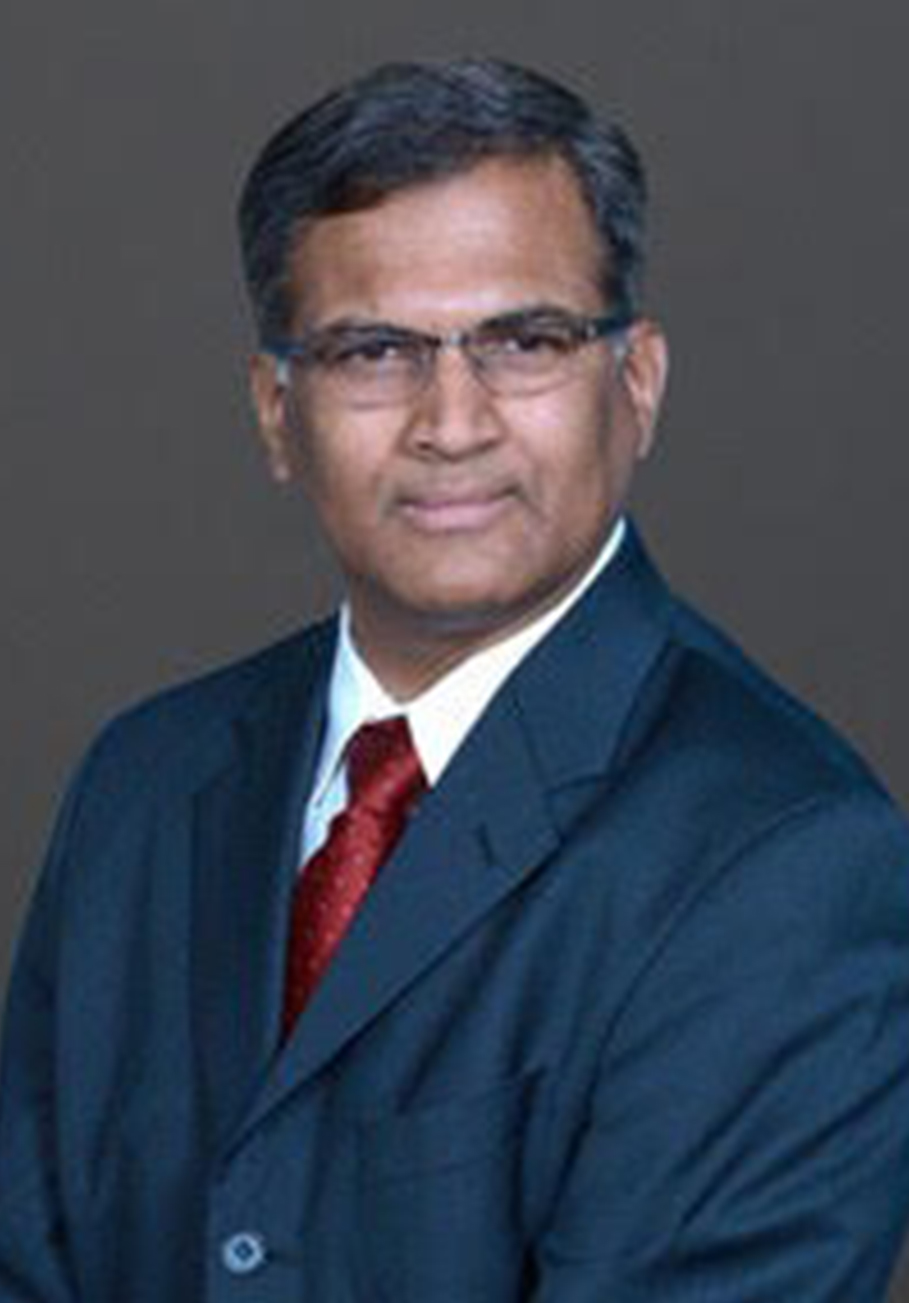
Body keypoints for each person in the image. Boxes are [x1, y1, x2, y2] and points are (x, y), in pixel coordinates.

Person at [1, 56, 908, 1303]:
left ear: (637, 383)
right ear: (275, 411)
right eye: (374, 351)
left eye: (525, 342)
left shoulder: (783, 860)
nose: (453, 422)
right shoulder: (144, 787)